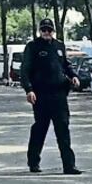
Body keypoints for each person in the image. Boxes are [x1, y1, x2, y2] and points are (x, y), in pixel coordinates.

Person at [21, 18, 81, 174]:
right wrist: (29, 89)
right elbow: (25, 70)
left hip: (59, 95)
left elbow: (66, 65)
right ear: (40, 31)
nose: (46, 33)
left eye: (49, 30)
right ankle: (34, 162)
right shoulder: (33, 47)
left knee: (63, 129)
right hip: (41, 95)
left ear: (53, 31)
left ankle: (69, 165)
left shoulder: (59, 46)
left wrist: (73, 76)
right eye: (44, 30)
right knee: (40, 129)